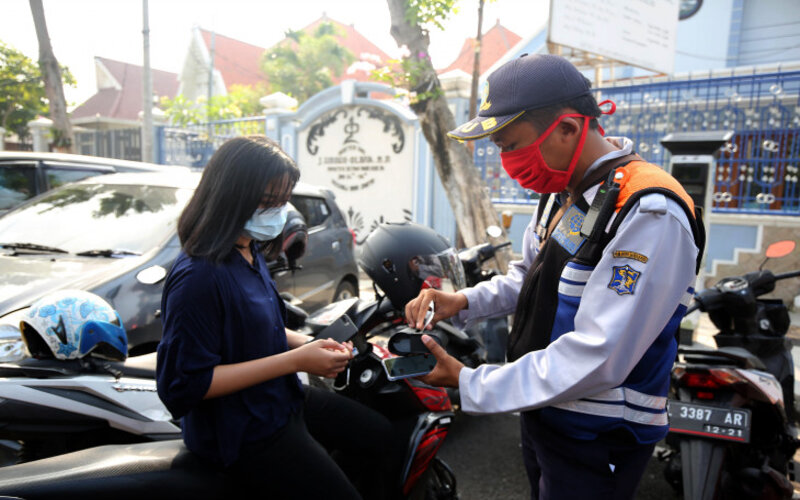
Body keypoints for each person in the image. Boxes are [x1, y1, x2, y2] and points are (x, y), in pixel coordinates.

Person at [404, 54, 704, 500]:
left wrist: (471, 382)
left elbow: (600, 354)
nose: (506, 161)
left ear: (567, 128)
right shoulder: (564, 190)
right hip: (546, 407)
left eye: (511, 145)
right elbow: (531, 277)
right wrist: (463, 301)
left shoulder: (648, 210)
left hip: (600, 431)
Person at [156, 135, 393, 499]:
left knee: (379, 436)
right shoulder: (198, 277)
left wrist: (313, 344)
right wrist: (296, 361)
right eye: (268, 202)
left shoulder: (249, 251)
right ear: (229, 196)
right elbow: (186, 385)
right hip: (243, 432)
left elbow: (260, 329)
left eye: (283, 201)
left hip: (280, 400)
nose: (277, 212)